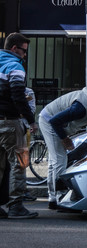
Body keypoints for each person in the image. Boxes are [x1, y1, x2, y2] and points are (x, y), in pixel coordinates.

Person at [39, 87, 87, 210]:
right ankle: (60, 197)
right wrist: (65, 139)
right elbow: (55, 121)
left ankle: (53, 198)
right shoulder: (81, 108)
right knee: (60, 160)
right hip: (49, 121)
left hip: (52, 121)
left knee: (54, 160)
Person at [0, 33, 38, 219]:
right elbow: (18, 96)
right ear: (14, 49)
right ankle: (16, 206)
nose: (25, 55)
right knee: (19, 163)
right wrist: (31, 120)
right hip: (11, 122)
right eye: (24, 51)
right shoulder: (14, 66)